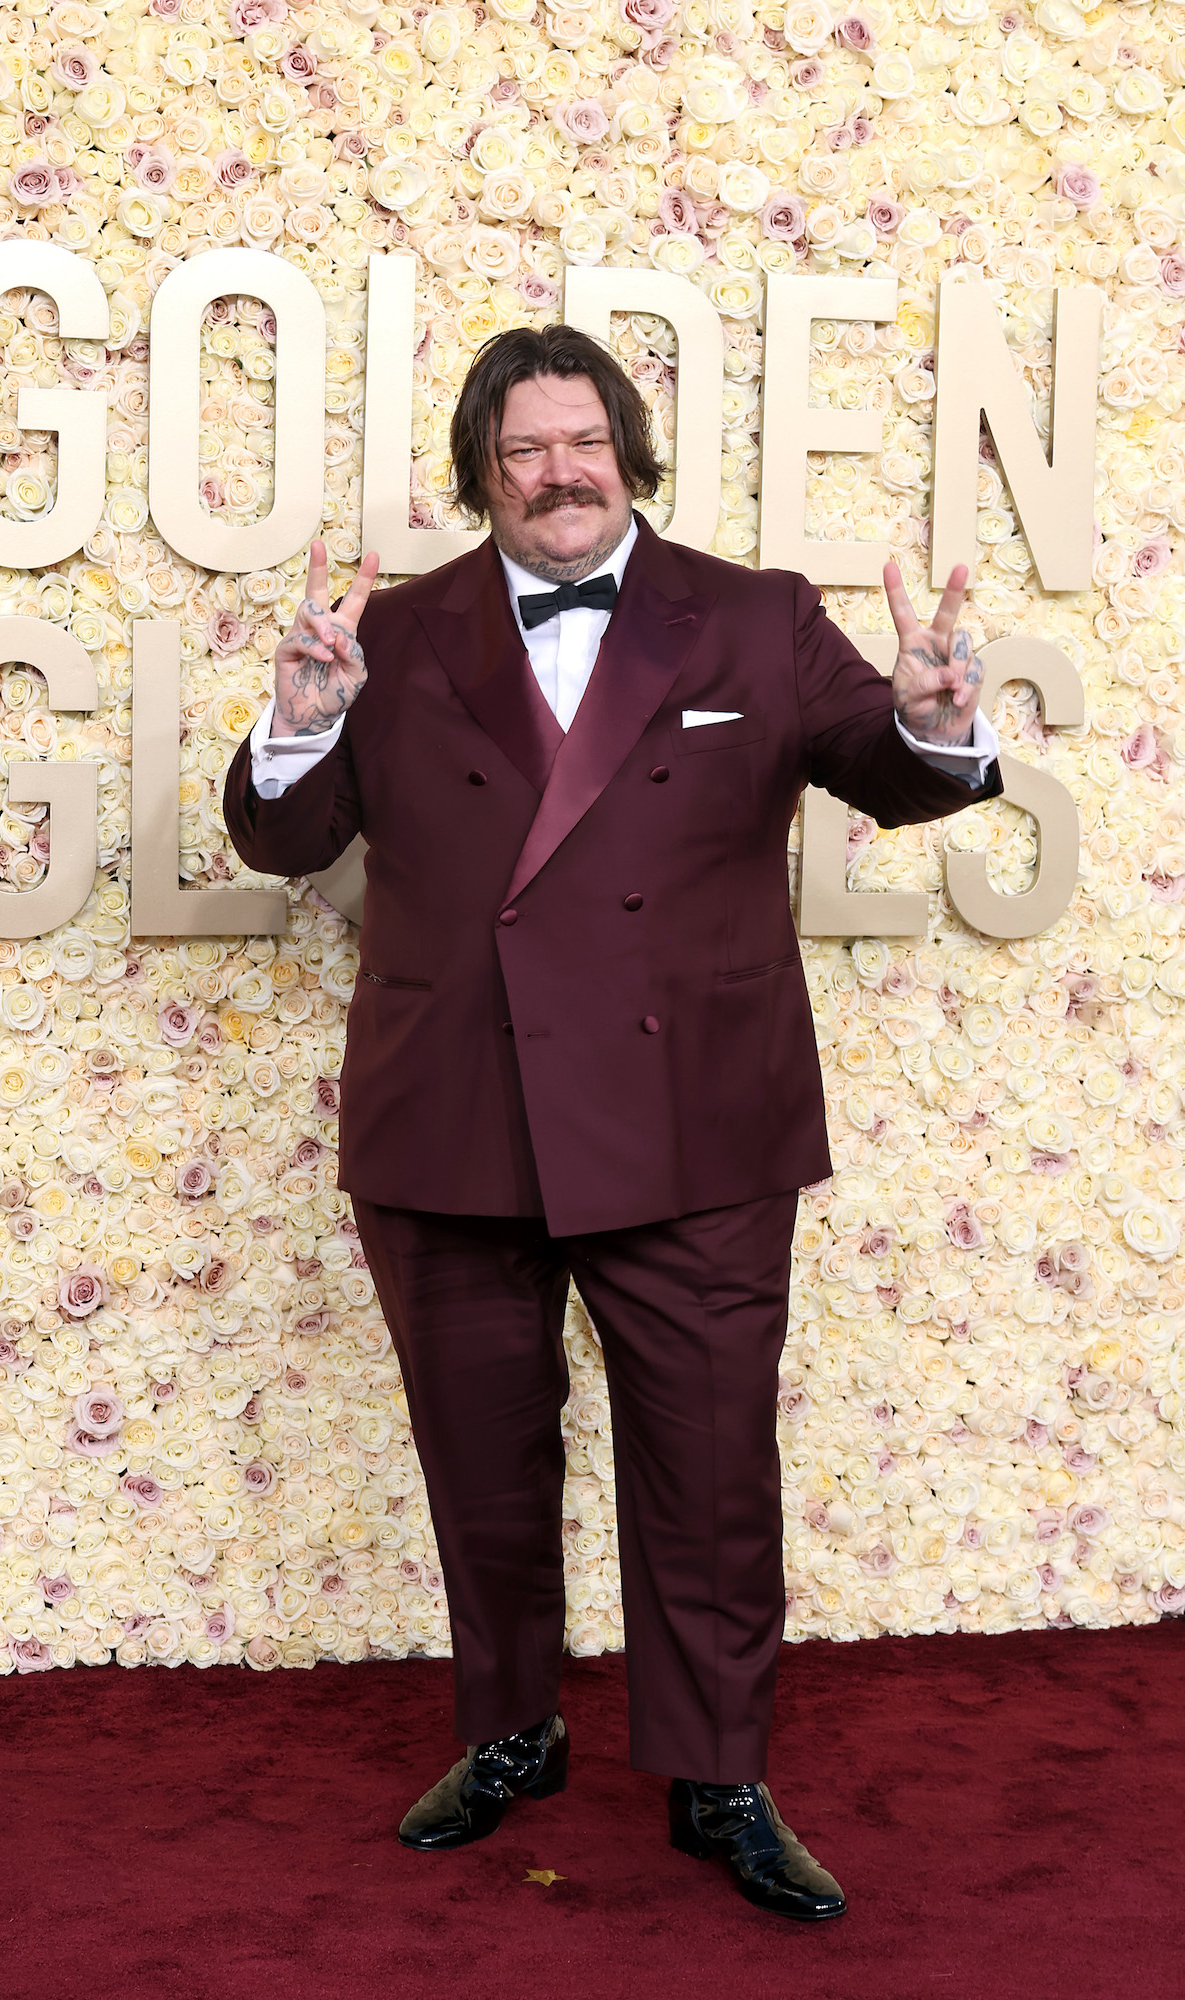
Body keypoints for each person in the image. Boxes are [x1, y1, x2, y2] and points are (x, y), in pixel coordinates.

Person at [223, 325, 1001, 1922]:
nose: (557, 474)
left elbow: (886, 775)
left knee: (709, 1466)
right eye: (520, 450)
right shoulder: (394, 632)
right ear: (480, 474)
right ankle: (509, 1732)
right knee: (479, 1455)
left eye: (582, 442)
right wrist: (299, 721)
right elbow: (282, 844)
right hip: (455, 1110)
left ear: (629, 455)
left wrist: (931, 720)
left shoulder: (756, 617)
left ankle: (717, 1776)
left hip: (693, 1118)